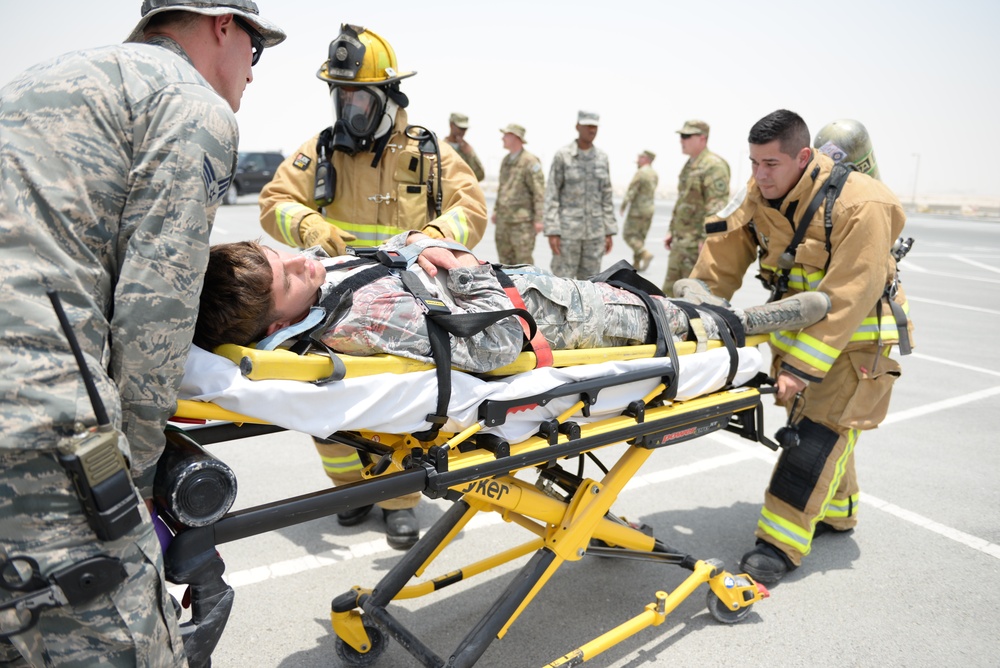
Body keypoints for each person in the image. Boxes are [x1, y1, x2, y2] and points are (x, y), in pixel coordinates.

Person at [0, 1, 284, 665]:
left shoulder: (45, 81)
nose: (253, 72)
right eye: (256, 50)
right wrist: (145, 477)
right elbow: (153, 315)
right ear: (222, 26)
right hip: (37, 418)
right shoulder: (190, 104)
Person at [258, 24, 488, 549]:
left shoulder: (430, 152)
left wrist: (433, 237)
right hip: (334, 301)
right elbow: (275, 201)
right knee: (325, 406)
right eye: (341, 96)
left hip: (407, 299)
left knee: (397, 406)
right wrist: (308, 226)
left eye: (359, 96)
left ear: (388, 96)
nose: (348, 108)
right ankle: (350, 491)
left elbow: (470, 208)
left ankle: (399, 501)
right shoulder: (319, 150)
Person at [683, 109, 912, 584]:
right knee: (826, 429)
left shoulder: (864, 205)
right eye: (753, 163)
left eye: (771, 164)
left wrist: (800, 370)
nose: (760, 175)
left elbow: (851, 294)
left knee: (816, 438)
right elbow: (721, 254)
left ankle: (779, 544)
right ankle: (839, 512)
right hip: (800, 336)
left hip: (855, 343)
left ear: (803, 158)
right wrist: (695, 311)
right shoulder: (759, 191)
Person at [193, 231, 831, 374]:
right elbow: (497, 349)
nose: (305, 260)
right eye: (290, 276)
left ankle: (697, 302)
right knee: (659, 321)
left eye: (285, 253)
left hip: (531, 288)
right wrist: (467, 265)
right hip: (552, 318)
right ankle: (740, 322)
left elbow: (376, 254)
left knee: (646, 298)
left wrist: (413, 241)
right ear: (279, 321)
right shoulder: (360, 323)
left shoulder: (316, 283)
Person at [543, 110, 616, 280]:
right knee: (562, 284)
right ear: (578, 126)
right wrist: (552, 230)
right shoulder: (564, 156)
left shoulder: (601, 158)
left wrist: (609, 231)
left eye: (595, 127)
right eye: (588, 126)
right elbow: (552, 193)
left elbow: (606, 196)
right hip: (567, 235)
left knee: (591, 285)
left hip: (594, 235)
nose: (592, 130)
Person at [663, 120, 730, 296]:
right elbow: (682, 201)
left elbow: (716, 207)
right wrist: (672, 230)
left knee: (694, 299)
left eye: (686, 136)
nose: (681, 140)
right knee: (668, 298)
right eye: (681, 136)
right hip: (681, 244)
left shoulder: (714, 165)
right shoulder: (689, 165)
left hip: (696, 248)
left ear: (702, 138)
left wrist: (707, 240)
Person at [493, 123, 546, 265]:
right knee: (504, 265)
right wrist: (496, 211)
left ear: (516, 137)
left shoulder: (530, 161)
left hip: (522, 224)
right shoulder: (506, 160)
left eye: (506, 135)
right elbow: (502, 188)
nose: (502, 138)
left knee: (523, 265)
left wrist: (539, 219)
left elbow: (539, 192)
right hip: (504, 222)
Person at [620, 150, 659, 272]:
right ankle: (636, 262)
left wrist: (623, 205)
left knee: (628, 234)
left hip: (637, 210)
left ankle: (644, 253)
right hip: (649, 209)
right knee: (640, 236)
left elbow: (632, 190)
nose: (637, 160)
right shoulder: (654, 174)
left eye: (640, 157)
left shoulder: (641, 173)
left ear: (646, 159)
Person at [445, 112, 486, 182]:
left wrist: (469, 154)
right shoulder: (441, 147)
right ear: (451, 125)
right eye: (460, 128)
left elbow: (480, 176)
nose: (463, 132)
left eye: (465, 129)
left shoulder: (467, 149)